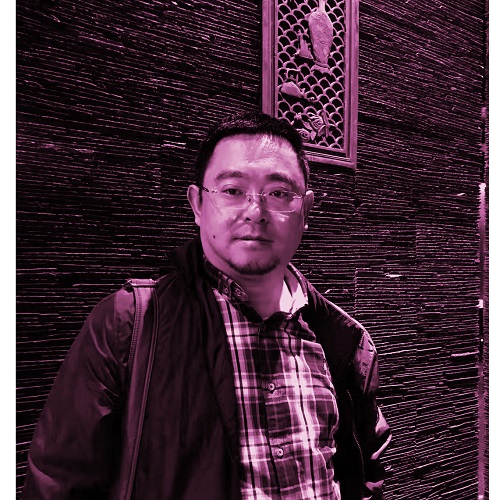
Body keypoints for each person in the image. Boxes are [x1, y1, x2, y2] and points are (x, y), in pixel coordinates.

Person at [22, 111, 391, 500]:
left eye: (279, 193)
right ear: (197, 204)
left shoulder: (341, 339)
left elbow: (366, 470)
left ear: (306, 211)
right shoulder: (130, 324)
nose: (255, 211)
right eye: (232, 190)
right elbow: (58, 484)